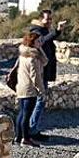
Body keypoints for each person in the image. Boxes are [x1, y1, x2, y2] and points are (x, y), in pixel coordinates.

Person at [27, 10, 68, 141]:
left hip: (43, 72)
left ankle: (30, 130)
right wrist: (55, 31)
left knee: (37, 102)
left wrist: (57, 31)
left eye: (51, 19)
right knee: (39, 101)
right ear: (40, 19)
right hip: (40, 73)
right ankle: (32, 130)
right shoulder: (36, 31)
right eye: (47, 19)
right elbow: (42, 41)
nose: (49, 21)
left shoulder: (42, 30)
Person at [12, 31, 47, 147]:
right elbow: (35, 77)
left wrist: (39, 49)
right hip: (29, 89)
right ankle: (26, 138)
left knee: (21, 113)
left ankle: (18, 137)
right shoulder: (33, 59)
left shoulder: (23, 55)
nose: (40, 43)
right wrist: (41, 91)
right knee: (26, 115)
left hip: (21, 87)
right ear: (32, 42)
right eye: (38, 41)